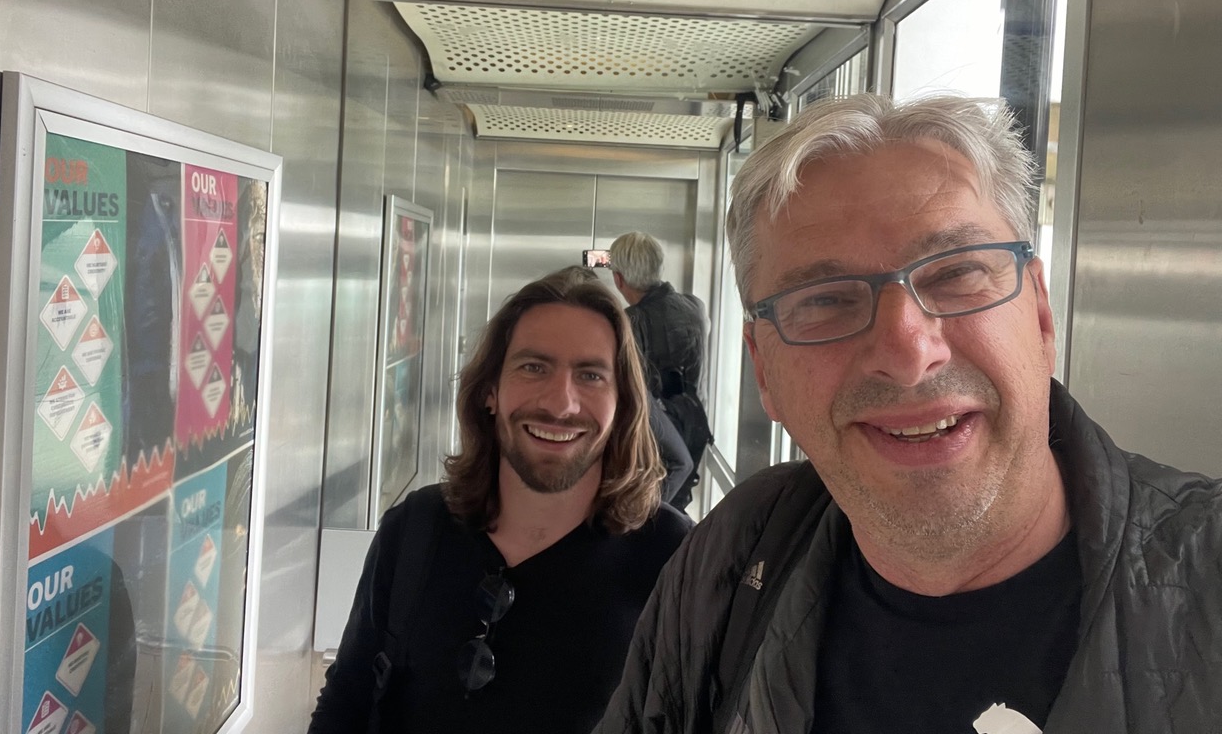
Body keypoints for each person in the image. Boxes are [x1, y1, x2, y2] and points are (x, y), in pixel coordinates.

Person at [596, 93, 1222, 734]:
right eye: (826, 300)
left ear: (1039, 314)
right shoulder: (729, 562)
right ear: (764, 370)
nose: (907, 353)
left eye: (956, 273)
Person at [309, 268, 691, 734]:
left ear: (622, 404)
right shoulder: (417, 528)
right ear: (490, 390)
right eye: (534, 368)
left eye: (590, 375)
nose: (561, 404)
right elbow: (346, 700)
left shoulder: (670, 558)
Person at [609, 231, 711, 509]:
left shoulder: (630, 322)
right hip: (694, 426)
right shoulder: (696, 307)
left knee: (646, 511)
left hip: (655, 440)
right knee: (674, 510)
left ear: (619, 279)